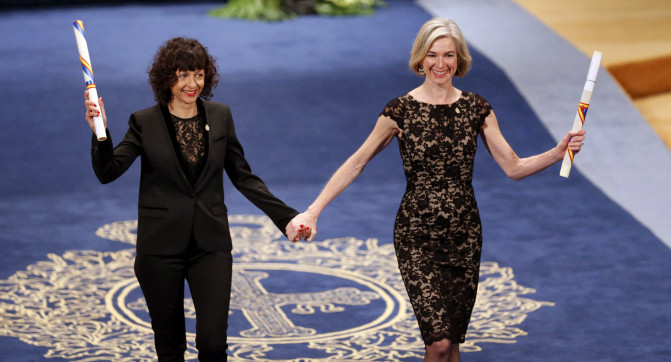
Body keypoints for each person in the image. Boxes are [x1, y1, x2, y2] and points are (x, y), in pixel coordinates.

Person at [288, 18, 586, 362]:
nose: (440, 64)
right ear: (420, 59)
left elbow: (513, 167)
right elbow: (356, 162)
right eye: (432, 55)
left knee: (454, 344)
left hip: (464, 236)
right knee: (439, 343)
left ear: (459, 59)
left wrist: (557, 151)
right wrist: (313, 210)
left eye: (448, 55)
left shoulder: (477, 108)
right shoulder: (399, 110)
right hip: (416, 236)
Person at [83, 37, 305, 361]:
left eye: (198, 74)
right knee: (170, 347)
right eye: (183, 75)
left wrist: (286, 217)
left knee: (214, 345)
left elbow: (244, 176)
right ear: (166, 77)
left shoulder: (220, 115)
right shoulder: (143, 122)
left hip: (210, 246)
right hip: (159, 249)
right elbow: (108, 171)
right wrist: (99, 131)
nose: (192, 84)